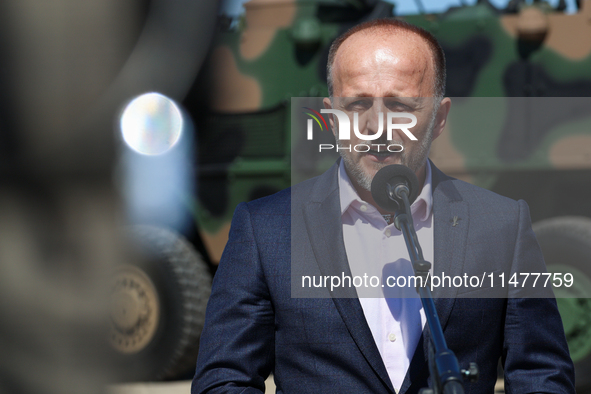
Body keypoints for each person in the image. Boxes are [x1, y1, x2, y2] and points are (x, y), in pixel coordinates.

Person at [192, 18, 575, 394]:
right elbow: (223, 380)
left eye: (400, 105)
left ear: (439, 118)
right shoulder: (265, 230)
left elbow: (541, 373)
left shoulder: (503, 224)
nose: (377, 126)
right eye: (358, 104)